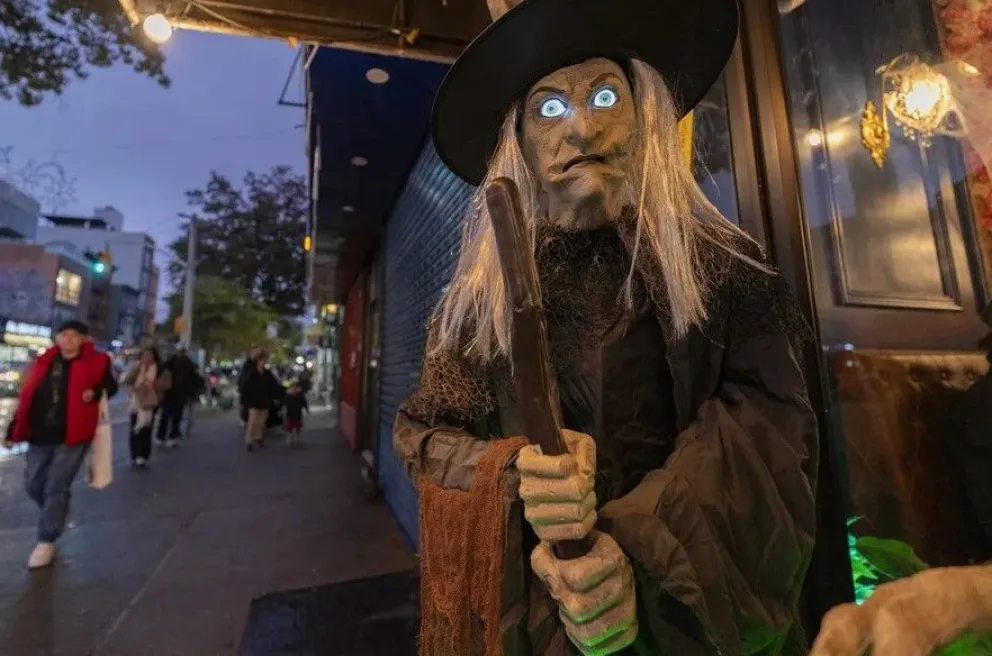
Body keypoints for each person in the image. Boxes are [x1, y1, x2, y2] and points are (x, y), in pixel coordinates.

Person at [394, 0, 817, 653]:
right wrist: (513, 473)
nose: (582, 127)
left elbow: (768, 436)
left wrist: (638, 553)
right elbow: (424, 435)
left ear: (644, 117)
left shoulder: (724, 272)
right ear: (520, 142)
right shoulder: (477, 308)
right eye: (550, 108)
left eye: (604, 96)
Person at [4, 321, 118, 569]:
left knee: (57, 484)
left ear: (84, 339)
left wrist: (95, 391)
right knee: (34, 484)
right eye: (64, 335)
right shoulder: (43, 361)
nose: (68, 340)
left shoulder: (97, 361)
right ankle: (58, 510)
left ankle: (46, 539)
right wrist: (14, 428)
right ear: (57, 338)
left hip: (73, 434)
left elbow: (111, 386)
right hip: (39, 433)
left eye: (74, 336)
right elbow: (27, 397)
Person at [124, 347, 161, 468]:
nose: (147, 358)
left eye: (150, 355)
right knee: (135, 429)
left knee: (146, 429)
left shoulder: (158, 369)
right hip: (136, 402)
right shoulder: (137, 368)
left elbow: (164, 384)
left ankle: (143, 455)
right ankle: (135, 454)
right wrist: (136, 371)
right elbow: (127, 381)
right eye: (145, 355)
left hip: (149, 403)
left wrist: (152, 385)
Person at [240, 350, 280, 451]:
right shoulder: (251, 371)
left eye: (266, 360)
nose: (264, 362)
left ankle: (258, 436)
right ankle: (249, 440)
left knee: (262, 420)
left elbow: (273, 385)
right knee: (252, 420)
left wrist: (276, 396)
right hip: (253, 400)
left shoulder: (267, 373)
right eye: (263, 360)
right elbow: (245, 383)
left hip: (264, 399)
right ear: (258, 360)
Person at [157, 345, 195, 447]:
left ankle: (164, 437)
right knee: (173, 416)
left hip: (171, 392)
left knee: (168, 416)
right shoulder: (187, 363)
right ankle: (170, 437)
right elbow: (191, 379)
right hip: (177, 393)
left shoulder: (172, 361)